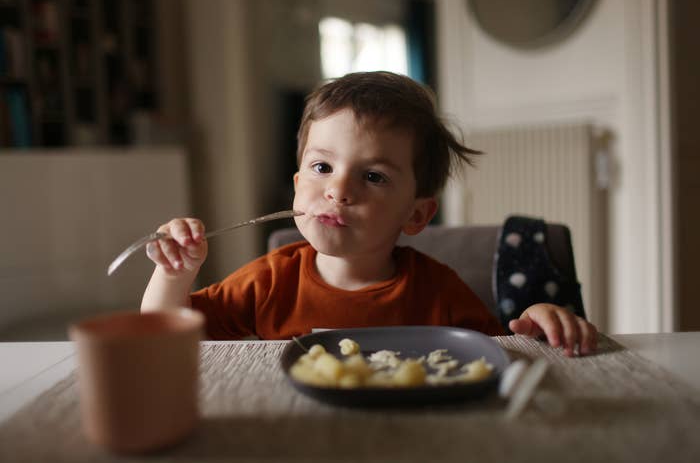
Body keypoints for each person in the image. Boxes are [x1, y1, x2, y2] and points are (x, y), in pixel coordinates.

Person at [142, 71, 597, 357]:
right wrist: (175, 274)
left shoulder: (438, 291)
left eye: (374, 177)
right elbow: (163, 337)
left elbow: (500, 355)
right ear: (298, 186)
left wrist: (536, 323)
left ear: (416, 215)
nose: (338, 190)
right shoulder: (269, 282)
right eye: (322, 167)